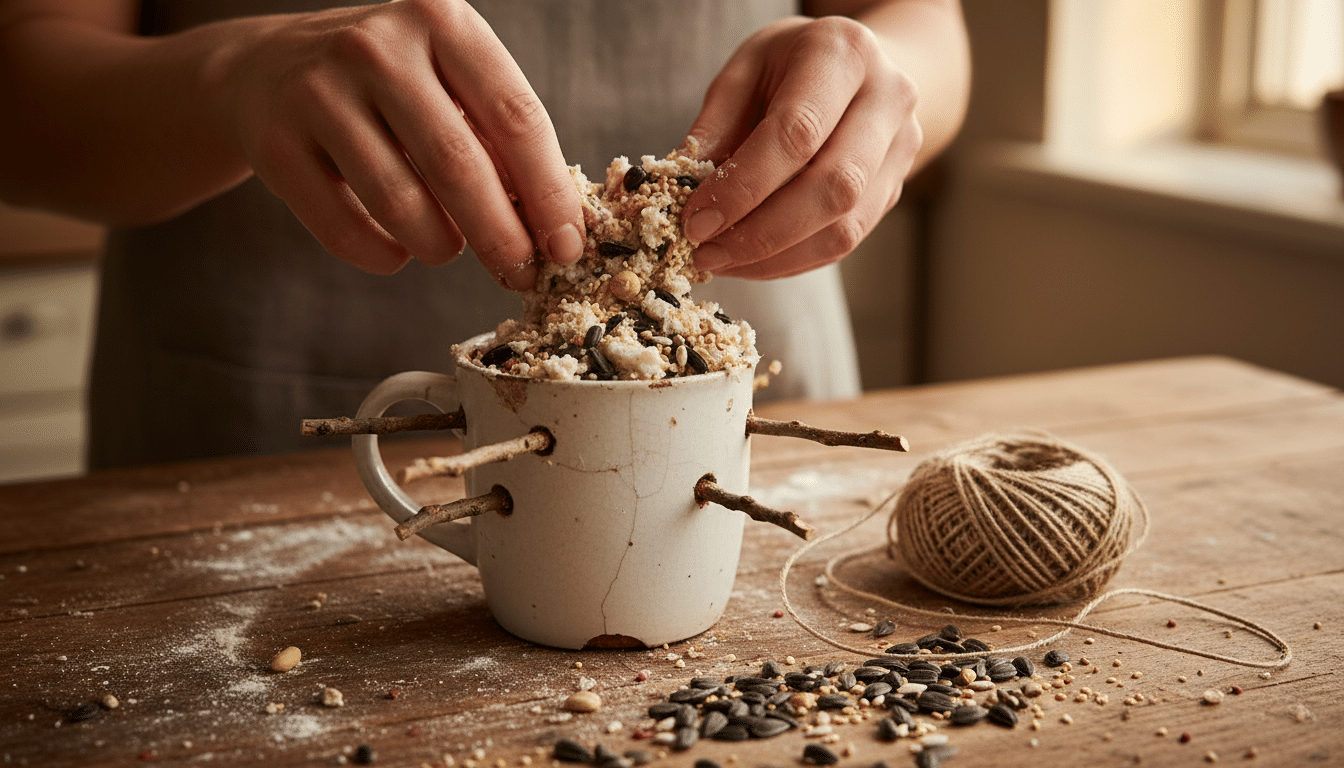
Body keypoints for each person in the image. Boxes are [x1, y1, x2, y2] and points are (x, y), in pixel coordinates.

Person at [0, 0, 970, 468]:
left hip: (747, 387)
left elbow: (926, 28)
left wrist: (882, 82)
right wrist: (232, 76)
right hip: (253, 418)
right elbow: (24, 98)